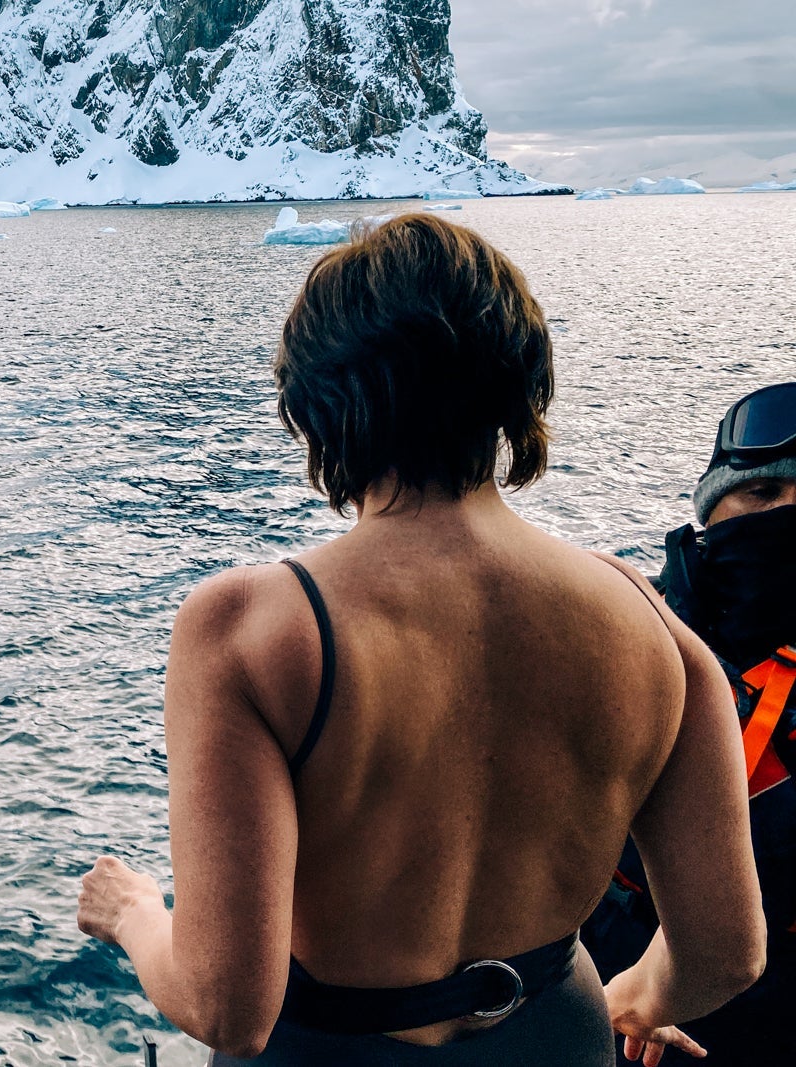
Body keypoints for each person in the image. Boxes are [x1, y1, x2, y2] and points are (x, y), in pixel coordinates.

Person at [73, 214, 765, 1066]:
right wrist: (640, 995)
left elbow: (228, 1005)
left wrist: (134, 912)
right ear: (517, 386)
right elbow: (726, 951)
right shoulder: (647, 620)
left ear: (320, 404)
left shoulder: (252, 629)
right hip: (558, 1038)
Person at [583, 381, 796, 1064]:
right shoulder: (623, 631)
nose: (785, 518)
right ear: (712, 508)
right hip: (604, 1007)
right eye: (763, 496)